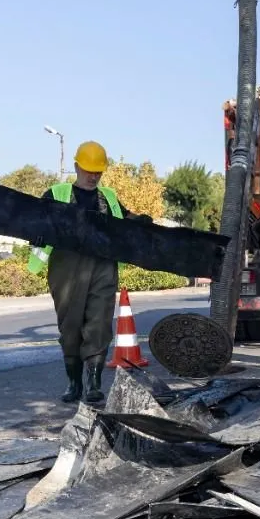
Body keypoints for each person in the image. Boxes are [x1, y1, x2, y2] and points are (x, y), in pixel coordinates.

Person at [41, 141, 147, 406]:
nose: (93, 176)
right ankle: (74, 383)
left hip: (102, 265)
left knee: (99, 324)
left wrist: (142, 222)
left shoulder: (109, 197)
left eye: (97, 171)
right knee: (71, 327)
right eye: (88, 170)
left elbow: (125, 218)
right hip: (67, 268)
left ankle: (94, 384)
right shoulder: (56, 194)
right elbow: (36, 224)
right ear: (76, 166)